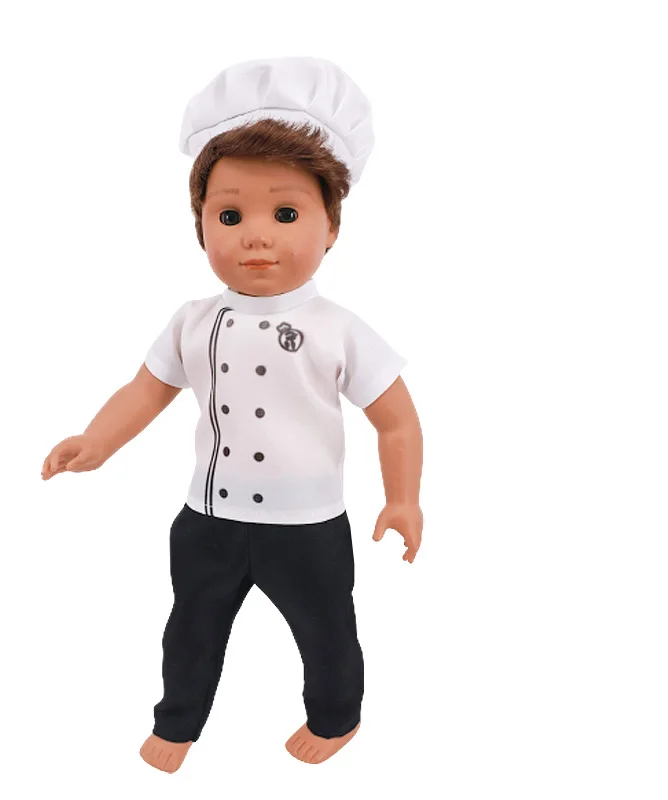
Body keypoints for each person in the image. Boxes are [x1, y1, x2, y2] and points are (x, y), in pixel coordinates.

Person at [41, 57, 424, 773]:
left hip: (307, 525)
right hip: (208, 519)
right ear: (201, 227)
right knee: (190, 627)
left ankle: (336, 717)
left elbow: (397, 419)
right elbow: (145, 390)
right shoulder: (193, 320)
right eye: (229, 215)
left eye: (286, 214)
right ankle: (177, 723)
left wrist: (403, 499)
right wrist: (96, 441)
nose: (256, 235)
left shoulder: (337, 329)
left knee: (326, 630)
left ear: (331, 227)